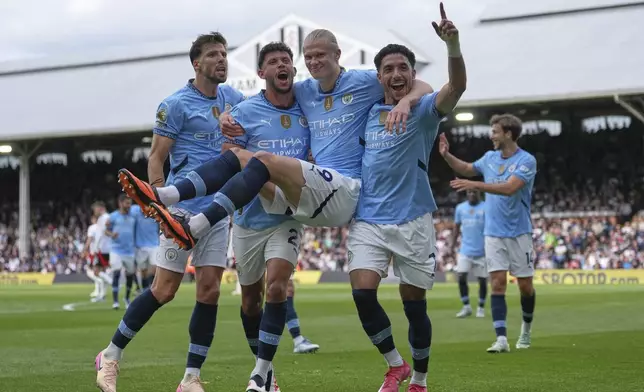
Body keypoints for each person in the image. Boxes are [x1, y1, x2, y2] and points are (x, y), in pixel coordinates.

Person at [117, 28, 434, 248]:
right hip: (309, 192)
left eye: (320, 55)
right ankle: (170, 198)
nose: (313, 62)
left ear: (338, 54)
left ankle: (194, 220)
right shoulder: (303, 91)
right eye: (308, 57)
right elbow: (267, 98)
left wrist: (406, 101)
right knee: (241, 157)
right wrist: (230, 114)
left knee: (262, 161)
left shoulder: (366, 81)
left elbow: (421, 85)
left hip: (346, 190)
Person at [95, 31, 247, 392]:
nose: (222, 60)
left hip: (217, 210)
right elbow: (156, 157)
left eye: (224, 54)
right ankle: (110, 355)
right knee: (164, 290)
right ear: (197, 63)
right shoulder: (175, 104)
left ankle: (190, 378)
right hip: (181, 211)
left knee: (209, 291)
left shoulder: (233, 98)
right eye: (214, 54)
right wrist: (161, 209)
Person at [346, 4, 466, 391]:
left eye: (403, 68)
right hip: (368, 219)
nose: (396, 74)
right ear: (379, 76)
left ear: (412, 75)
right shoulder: (366, 113)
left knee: (414, 306)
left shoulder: (424, 111)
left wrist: (453, 46)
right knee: (363, 293)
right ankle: (394, 365)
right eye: (388, 69)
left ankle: (420, 379)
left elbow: (455, 88)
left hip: (413, 218)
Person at [216, 41, 315, 391]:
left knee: (277, 287)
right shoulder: (245, 111)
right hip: (249, 219)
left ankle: (259, 373)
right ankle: (267, 371)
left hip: (288, 217)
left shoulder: (308, 106)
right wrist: (263, 183)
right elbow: (229, 153)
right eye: (273, 62)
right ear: (261, 73)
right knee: (249, 299)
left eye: (286, 60)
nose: (281, 65)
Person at [440, 113, 537, 353]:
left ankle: (525, 329)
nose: (490, 135)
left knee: (525, 286)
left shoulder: (526, 160)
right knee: (497, 283)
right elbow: (466, 168)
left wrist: (475, 185)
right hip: (492, 233)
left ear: (508, 133)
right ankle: (501, 338)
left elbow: (509, 188)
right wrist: (446, 155)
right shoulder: (490, 158)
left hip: (519, 233)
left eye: (495, 131)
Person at [453, 190, 487, 318]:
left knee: (482, 281)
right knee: (461, 277)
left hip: (482, 251)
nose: (471, 194)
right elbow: (456, 227)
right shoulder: (460, 208)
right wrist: (452, 245)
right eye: (469, 192)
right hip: (465, 250)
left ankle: (480, 307)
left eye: (474, 192)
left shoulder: (486, 207)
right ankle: (466, 306)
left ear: (480, 194)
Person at [104, 195, 137, 310]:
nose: (129, 206)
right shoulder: (113, 216)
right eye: (127, 203)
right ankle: (115, 301)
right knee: (116, 272)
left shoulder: (133, 217)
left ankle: (127, 298)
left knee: (130, 276)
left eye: (130, 203)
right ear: (120, 203)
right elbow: (106, 231)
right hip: (116, 250)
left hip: (129, 251)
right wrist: (111, 234)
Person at [131, 204, 160, 289]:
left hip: (154, 244)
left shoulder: (155, 215)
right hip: (140, 246)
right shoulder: (135, 214)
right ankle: (145, 288)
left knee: (155, 266)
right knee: (143, 270)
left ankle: (151, 286)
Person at [83, 215, 105, 301]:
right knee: (98, 271)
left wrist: (84, 250)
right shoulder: (101, 228)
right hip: (101, 251)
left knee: (90, 271)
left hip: (94, 252)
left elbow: (89, 239)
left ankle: (103, 283)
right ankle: (98, 291)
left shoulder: (92, 228)